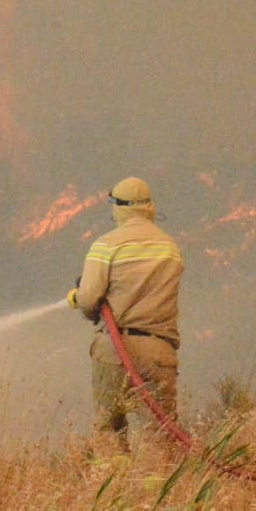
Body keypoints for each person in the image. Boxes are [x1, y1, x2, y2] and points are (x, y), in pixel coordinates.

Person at [66, 176, 184, 446]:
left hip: (115, 349)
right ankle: (161, 484)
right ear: (149, 207)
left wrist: (77, 297)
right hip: (159, 351)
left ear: (118, 208)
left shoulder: (106, 245)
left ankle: (113, 483)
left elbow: (89, 299)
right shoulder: (170, 247)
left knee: (110, 429)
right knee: (161, 435)